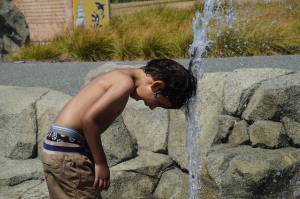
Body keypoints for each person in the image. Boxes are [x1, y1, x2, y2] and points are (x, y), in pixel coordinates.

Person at [42, 59, 197, 199]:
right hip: (69, 153)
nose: (152, 107)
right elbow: (89, 120)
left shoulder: (119, 76)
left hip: (56, 147)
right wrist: (100, 163)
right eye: (159, 103)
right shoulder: (124, 83)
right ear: (156, 85)